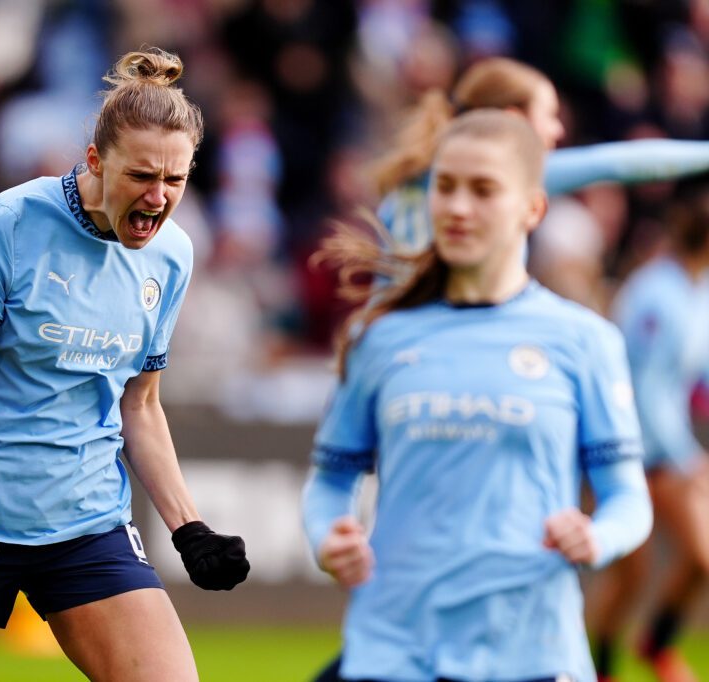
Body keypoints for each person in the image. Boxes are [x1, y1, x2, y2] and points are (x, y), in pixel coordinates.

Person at [0, 47, 250, 682]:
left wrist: (190, 528)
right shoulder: (0, 229)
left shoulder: (172, 255)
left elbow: (141, 405)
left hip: (85, 522)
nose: (158, 198)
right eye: (141, 177)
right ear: (95, 160)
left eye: (175, 181)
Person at [302, 109, 652, 682]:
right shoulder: (380, 337)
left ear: (532, 208)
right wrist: (327, 533)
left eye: (483, 190)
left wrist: (597, 536)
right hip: (390, 651)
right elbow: (331, 479)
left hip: (530, 652)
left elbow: (628, 499)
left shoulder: (584, 340)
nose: (458, 207)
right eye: (446, 186)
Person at [371, 57, 709, 253]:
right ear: (515, 120)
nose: (558, 131)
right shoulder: (497, 179)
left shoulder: (417, 180)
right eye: (550, 115)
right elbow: (620, 163)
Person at [589, 179, 709, 682]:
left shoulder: (698, 290)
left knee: (701, 558)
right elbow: (645, 385)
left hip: (667, 453)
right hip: (627, 450)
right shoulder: (655, 294)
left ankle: (655, 643)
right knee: (631, 575)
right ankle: (598, 669)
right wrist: (686, 456)